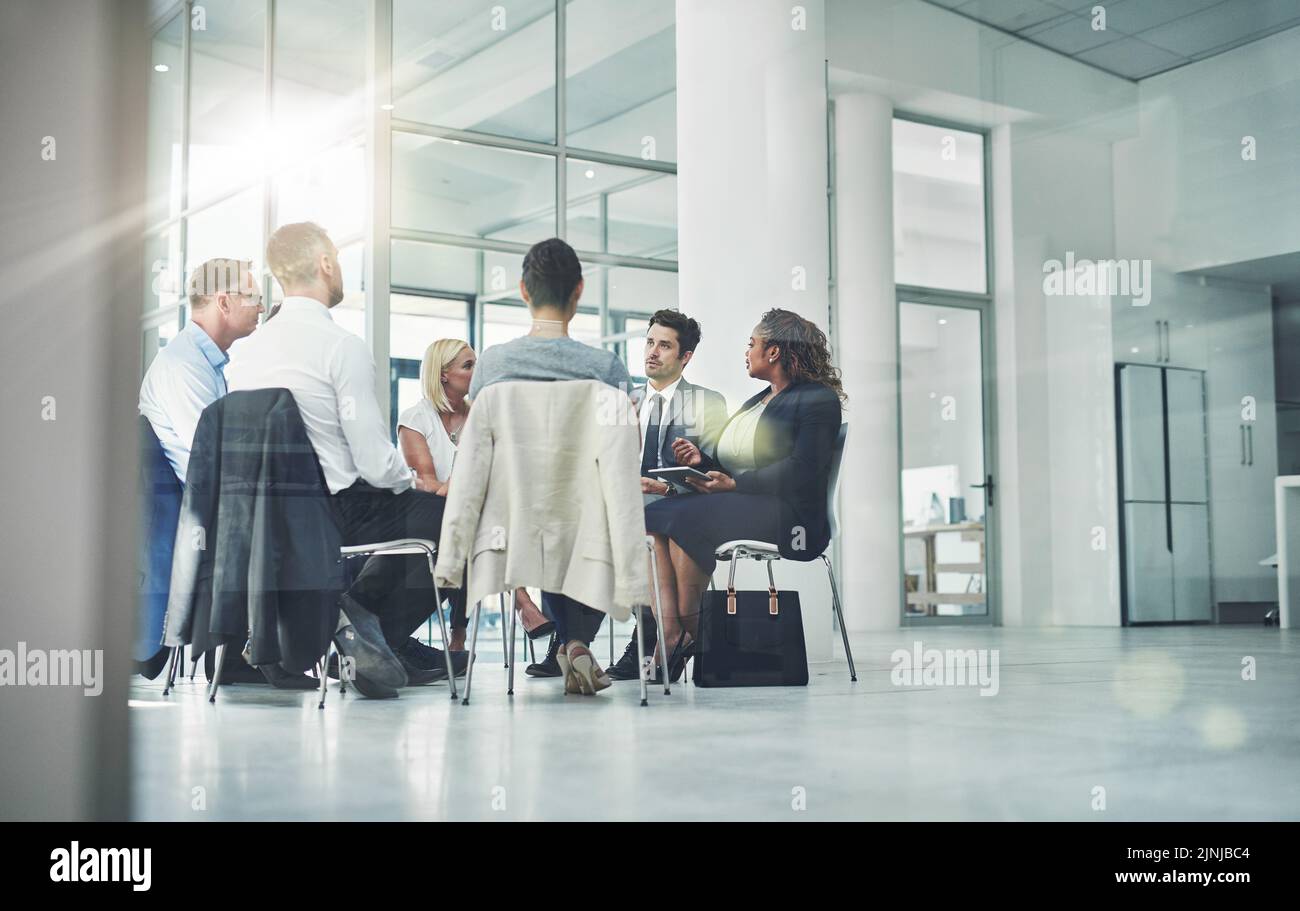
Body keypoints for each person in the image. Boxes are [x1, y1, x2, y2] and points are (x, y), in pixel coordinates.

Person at [226, 222, 466, 698]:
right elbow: (376, 464)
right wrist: (413, 482)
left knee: (422, 515)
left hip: (263, 520)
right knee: (458, 519)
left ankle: (357, 626)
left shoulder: (244, 355)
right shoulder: (342, 347)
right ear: (326, 264)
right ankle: (369, 627)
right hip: (335, 513)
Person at [643, 308, 846, 682]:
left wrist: (737, 485)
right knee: (655, 516)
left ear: (774, 352)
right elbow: (727, 463)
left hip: (791, 516)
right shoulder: (760, 399)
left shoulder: (817, 399)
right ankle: (672, 633)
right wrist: (699, 461)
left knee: (686, 517)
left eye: (753, 343)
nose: (747, 350)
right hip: (744, 502)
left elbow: (804, 468)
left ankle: (687, 633)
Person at [469, 237, 632, 694]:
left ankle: (568, 642)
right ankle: (576, 640)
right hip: (584, 516)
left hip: (512, 515)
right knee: (587, 521)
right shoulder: (606, 367)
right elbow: (624, 447)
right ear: (578, 292)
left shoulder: (493, 364)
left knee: (548, 521)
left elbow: (482, 442)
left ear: (523, 290)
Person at [396, 338, 553, 649]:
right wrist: (463, 481)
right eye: (469, 366)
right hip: (431, 515)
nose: (478, 371)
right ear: (443, 374)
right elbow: (427, 483)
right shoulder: (415, 419)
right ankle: (519, 605)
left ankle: (461, 635)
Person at [605, 309, 727, 681]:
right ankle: (569, 641)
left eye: (664, 345)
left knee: (649, 521)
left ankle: (662, 636)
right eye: (649, 342)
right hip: (627, 502)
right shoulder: (625, 402)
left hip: (680, 504)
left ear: (685, 356)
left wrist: (667, 486)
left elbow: (714, 468)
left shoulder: (708, 402)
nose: (652, 352)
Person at [139, 258, 263, 483]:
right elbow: (220, 460)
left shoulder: (205, 363)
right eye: (254, 298)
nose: (261, 308)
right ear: (224, 303)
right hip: (200, 513)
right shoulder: (184, 366)